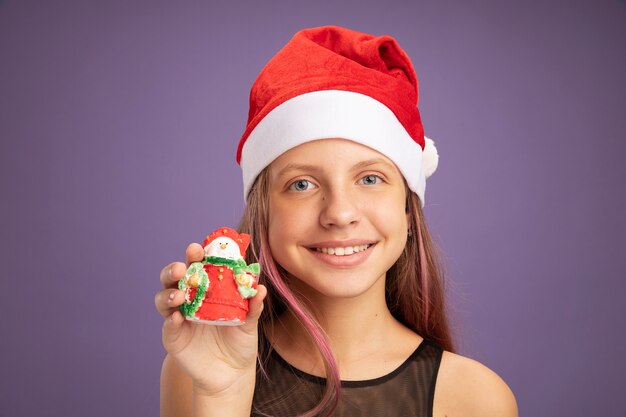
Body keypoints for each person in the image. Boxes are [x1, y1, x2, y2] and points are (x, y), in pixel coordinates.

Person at [155, 25, 518, 417]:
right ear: (265, 214)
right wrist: (219, 397)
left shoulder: (476, 399)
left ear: (409, 211)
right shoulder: (196, 372)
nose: (340, 214)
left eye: (370, 178)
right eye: (302, 184)